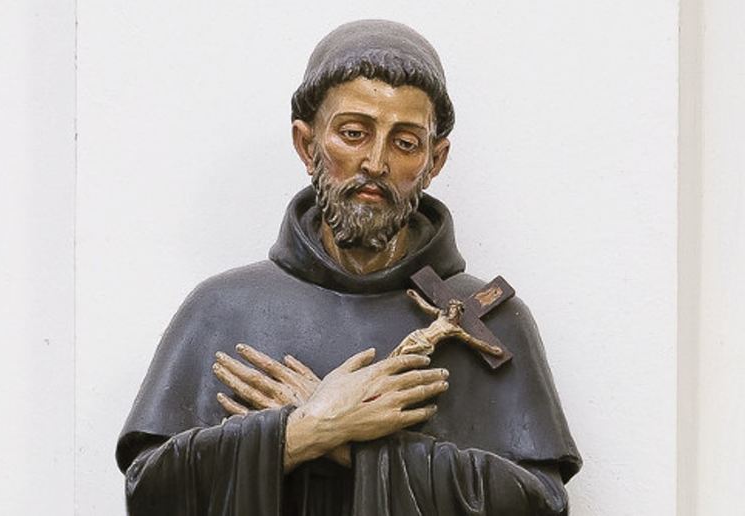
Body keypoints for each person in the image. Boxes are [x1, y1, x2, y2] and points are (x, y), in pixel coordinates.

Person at [116, 19, 581, 515]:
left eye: (405, 143)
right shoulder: (222, 309)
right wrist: (305, 430)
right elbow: (151, 493)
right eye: (354, 133)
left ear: (435, 160)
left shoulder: (486, 321)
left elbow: (541, 505)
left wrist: (353, 443)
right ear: (307, 144)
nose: (376, 163)